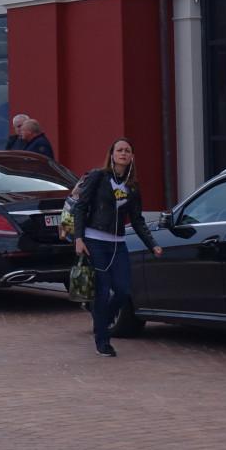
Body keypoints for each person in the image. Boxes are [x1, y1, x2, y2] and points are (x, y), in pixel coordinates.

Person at [71, 138, 161, 357]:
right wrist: (79, 238)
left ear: (132, 157)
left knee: (123, 290)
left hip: (117, 243)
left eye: (127, 151)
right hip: (95, 240)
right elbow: (80, 207)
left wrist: (153, 244)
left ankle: (101, 319)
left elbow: (137, 219)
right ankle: (103, 340)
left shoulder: (132, 186)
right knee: (102, 291)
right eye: (119, 150)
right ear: (112, 155)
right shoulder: (98, 177)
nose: (123, 153)